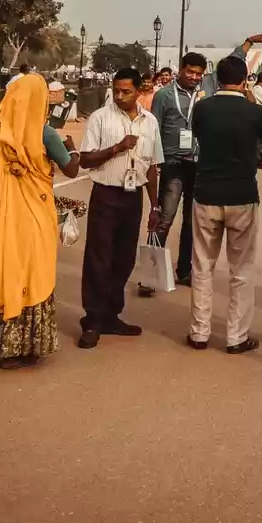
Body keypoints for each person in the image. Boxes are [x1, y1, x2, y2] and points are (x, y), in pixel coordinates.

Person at [0, 75, 81, 368]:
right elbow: (72, 170)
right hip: (33, 217)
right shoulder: (45, 133)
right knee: (27, 275)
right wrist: (72, 148)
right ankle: (18, 350)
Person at [188, 55, 262, 353]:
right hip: (241, 193)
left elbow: (198, 133)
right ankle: (236, 336)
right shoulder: (252, 111)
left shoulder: (202, 108)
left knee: (202, 266)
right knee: (241, 270)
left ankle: (199, 332)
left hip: (207, 191)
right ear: (245, 78)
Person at [78, 68, 164, 349]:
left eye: (126, 91)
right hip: (105, 194)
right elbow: (87, 159)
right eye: (116, 90)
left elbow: (152, 166)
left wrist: (155, 205)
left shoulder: (150, 122)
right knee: (98, 257)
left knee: (124, 258)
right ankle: (92, 320)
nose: (120, 96)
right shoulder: (100, 118)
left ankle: (111, 315)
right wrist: (117, 148)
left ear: (139, 90)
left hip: (133, 196)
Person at [149, 51, 208, 291]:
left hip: (198, 163)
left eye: (198, 74)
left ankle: (185, 271)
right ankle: (151, 274)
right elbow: (154, 129)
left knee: (191, 222)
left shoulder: (206, 96)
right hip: (173, 164)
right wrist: (154, 163)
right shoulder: (163, 95)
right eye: (190, 72)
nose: (194, 77)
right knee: (165, 219)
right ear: (180, 70)